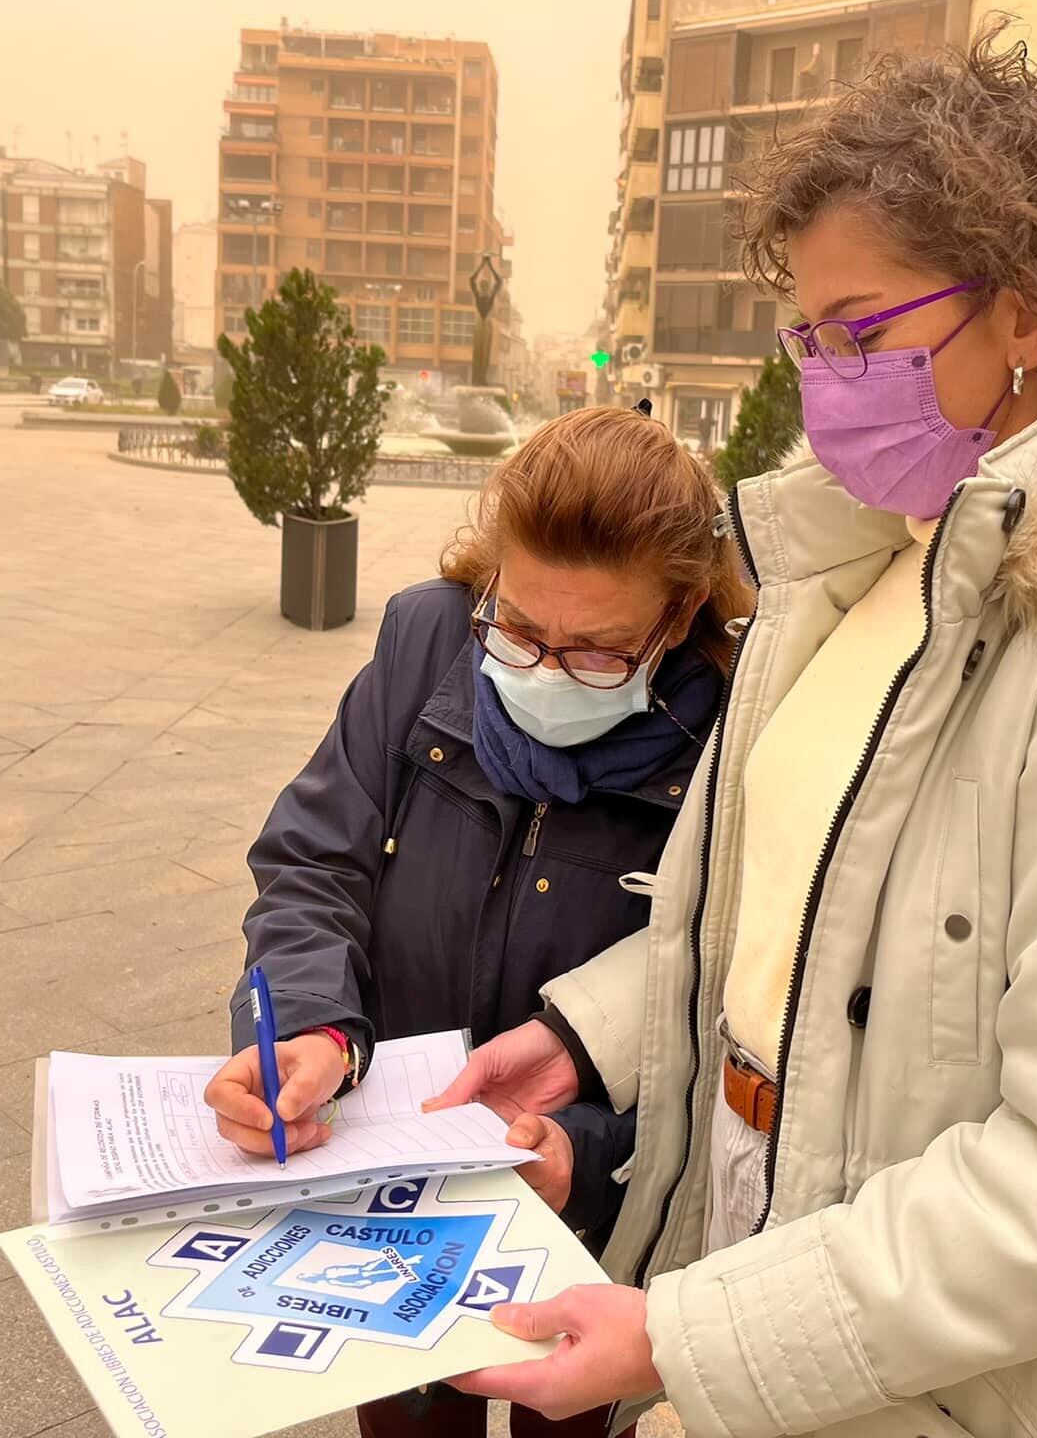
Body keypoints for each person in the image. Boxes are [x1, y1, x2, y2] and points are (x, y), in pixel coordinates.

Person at [436, 32, 1037, 1437]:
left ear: (1031, 315)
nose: (826, 376)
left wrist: (688, 1333)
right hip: (782, 1262)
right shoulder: (874, 561)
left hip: (962, 1386)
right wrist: (590, 1043)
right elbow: (793, 914)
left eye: (866, 331)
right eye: (808, 335)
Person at [202, 406, 750, 1438]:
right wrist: (313, 1027)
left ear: (677, 616)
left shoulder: (732, 725)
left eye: (595, 651)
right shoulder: (427, 637)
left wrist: (585, 1153)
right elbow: (313, 858)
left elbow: (727, 998)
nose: (544, 669)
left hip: (579, 1218)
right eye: (519, 626)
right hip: (387, 1177)